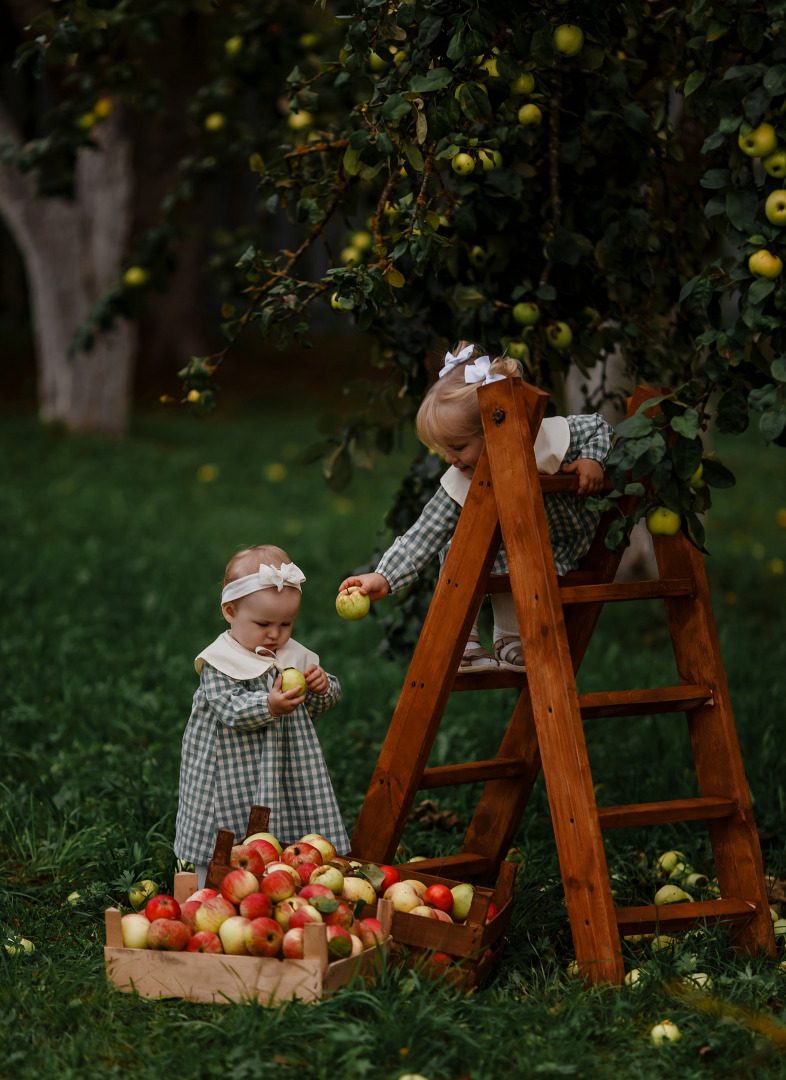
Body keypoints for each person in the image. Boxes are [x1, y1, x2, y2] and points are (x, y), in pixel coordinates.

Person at [338, 342, 613, 673]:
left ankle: (508, 639)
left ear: (493, 429)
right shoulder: (464, 478)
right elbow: (424, 533)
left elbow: (598, 426)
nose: (450, 459)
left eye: (457, 447)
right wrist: (384, 575)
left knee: (514, 547)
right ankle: (473, 639)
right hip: (515, 551)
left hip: (563, 543)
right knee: (460, 540)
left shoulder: (549, 438)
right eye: (442, 450)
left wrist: (590, 459)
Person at [175, 544, 349, 888]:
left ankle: (289, 877)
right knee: (224, 823)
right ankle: (205, 884)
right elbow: (229, 710)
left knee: (289, 815)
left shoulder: (290, 655)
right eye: (263, 623)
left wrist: (320, 687)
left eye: (286, 623)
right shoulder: (219, 661)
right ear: (229, 611)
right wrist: (268, 706)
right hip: (227, 766)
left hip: (283, 763)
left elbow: (313, 709)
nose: (275, 633)